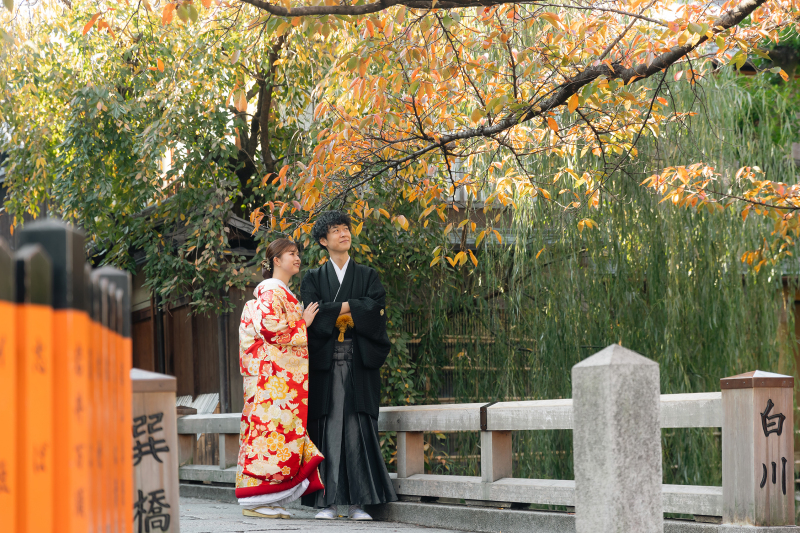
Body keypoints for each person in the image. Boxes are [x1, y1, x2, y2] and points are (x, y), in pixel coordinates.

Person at [300, 210, 398, 520]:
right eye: (336, 230)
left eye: (346, 228)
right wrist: (353, 308)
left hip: (358, 363)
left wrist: (335, 310)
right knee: (327, 430)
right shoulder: (313, 278)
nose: (344, 234)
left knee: (357, 430)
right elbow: (311, 320)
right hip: (327, 366)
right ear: (323, 240)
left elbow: (376, 310)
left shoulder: (368, 275)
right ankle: (327, 504)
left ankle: (358, 503)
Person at [235, 238, 325, 519]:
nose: (297, 258)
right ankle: (256, 499)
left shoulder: (279, 292)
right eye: (291, 253)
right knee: (269, 435)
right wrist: (303, 324)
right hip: (272, 382)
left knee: (275, 435)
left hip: (276, 380)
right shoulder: (271, 291)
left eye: (298, 254)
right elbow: (270, 329)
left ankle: (267, 497)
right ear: (276, 260)